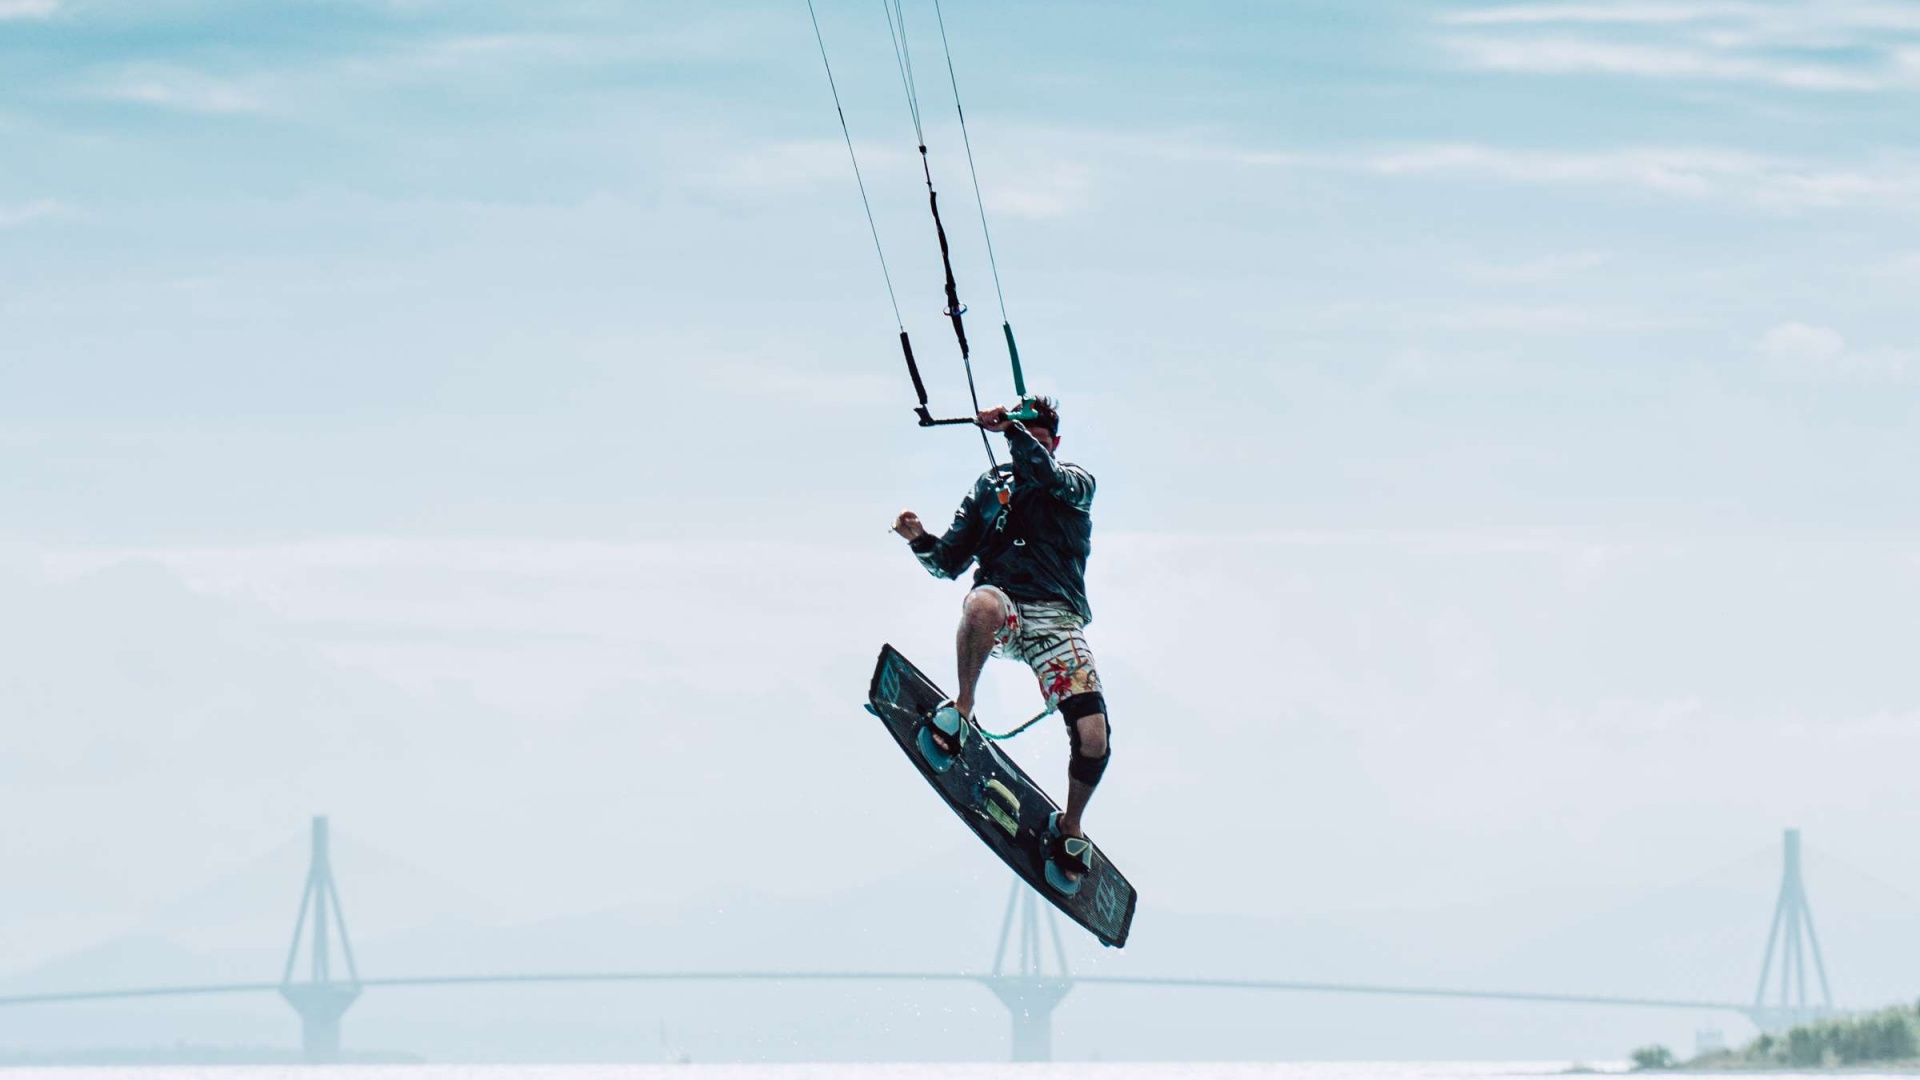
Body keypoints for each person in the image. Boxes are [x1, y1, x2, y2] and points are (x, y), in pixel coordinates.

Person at [891, 397, 1108, 887]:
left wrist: (1013, 430)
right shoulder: (991, 488)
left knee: (1094, 738)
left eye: (1041, 440)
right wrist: (919, 539)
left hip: (1056, 620)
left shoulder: (1076, 483)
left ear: (1055, 442)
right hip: (1005, 606)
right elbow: (949, 562)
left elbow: (1045, 473)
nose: (1033, 447)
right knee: (981, 604)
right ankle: (963, 709)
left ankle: (1071, 826)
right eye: (1025, 437)